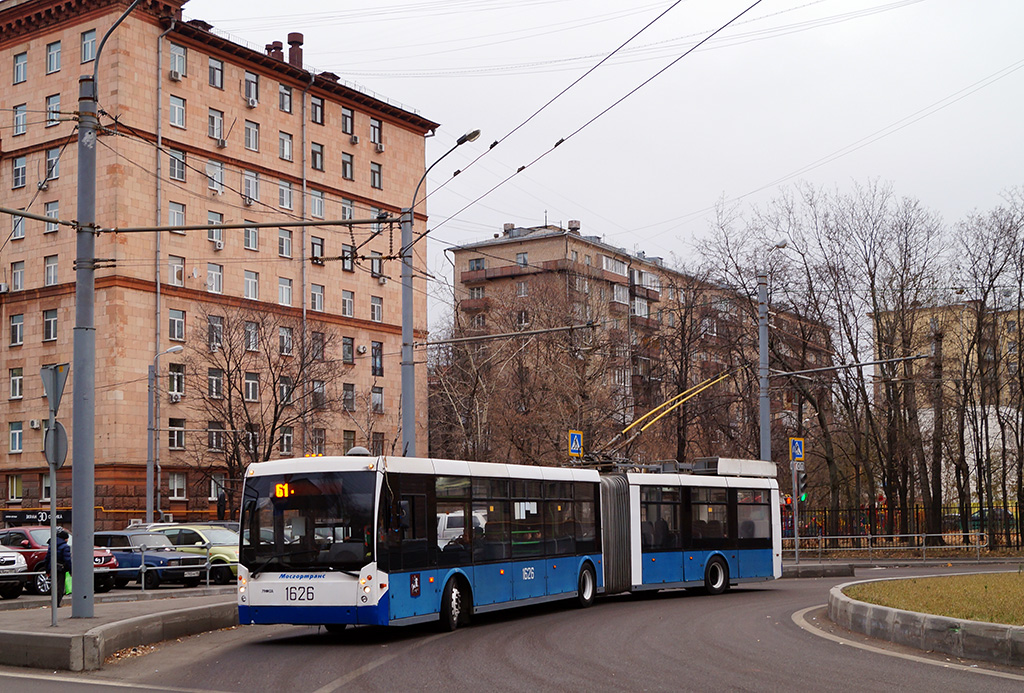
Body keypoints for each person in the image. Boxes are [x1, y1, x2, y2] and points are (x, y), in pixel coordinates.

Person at [45, 528, 72, 607]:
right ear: (65, 538)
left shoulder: (52, 545)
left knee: (54, 585)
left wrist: (47, 570)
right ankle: (57, 603)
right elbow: (67, 560)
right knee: (60, 587)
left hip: (52, 568)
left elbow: (47, 558)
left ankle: (54, 602)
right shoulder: (65, 547)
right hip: (60, 568)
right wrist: (71, 570)